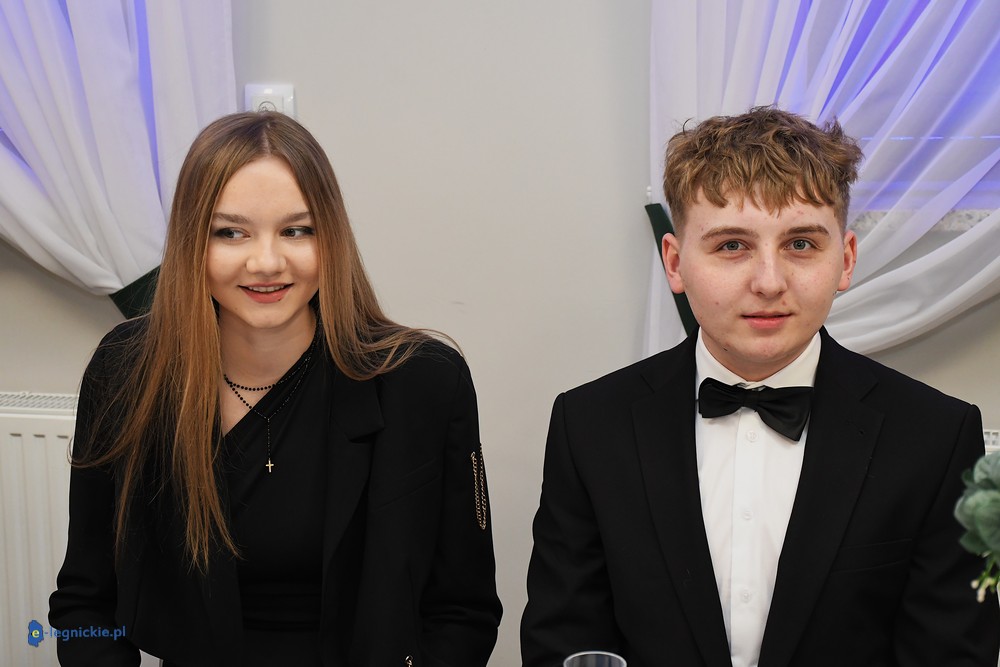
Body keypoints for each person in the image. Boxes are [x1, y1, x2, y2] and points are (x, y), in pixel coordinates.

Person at [521, 106, 1000, 666]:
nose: (769, 282)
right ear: (675, 263)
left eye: (801, 244)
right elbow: (567, 641)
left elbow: (950, 654)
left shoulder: (937, 436)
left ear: (845, 260)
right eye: (732, 245)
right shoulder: (589, 426)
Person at [49, 111, 501, 666]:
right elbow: (86, 605)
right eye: (230, 232)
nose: (266, 262)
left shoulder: (424, 380)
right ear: (192, 243)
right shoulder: (125, 370)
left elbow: (463, 612)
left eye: (296, 230)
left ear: (331, 237)